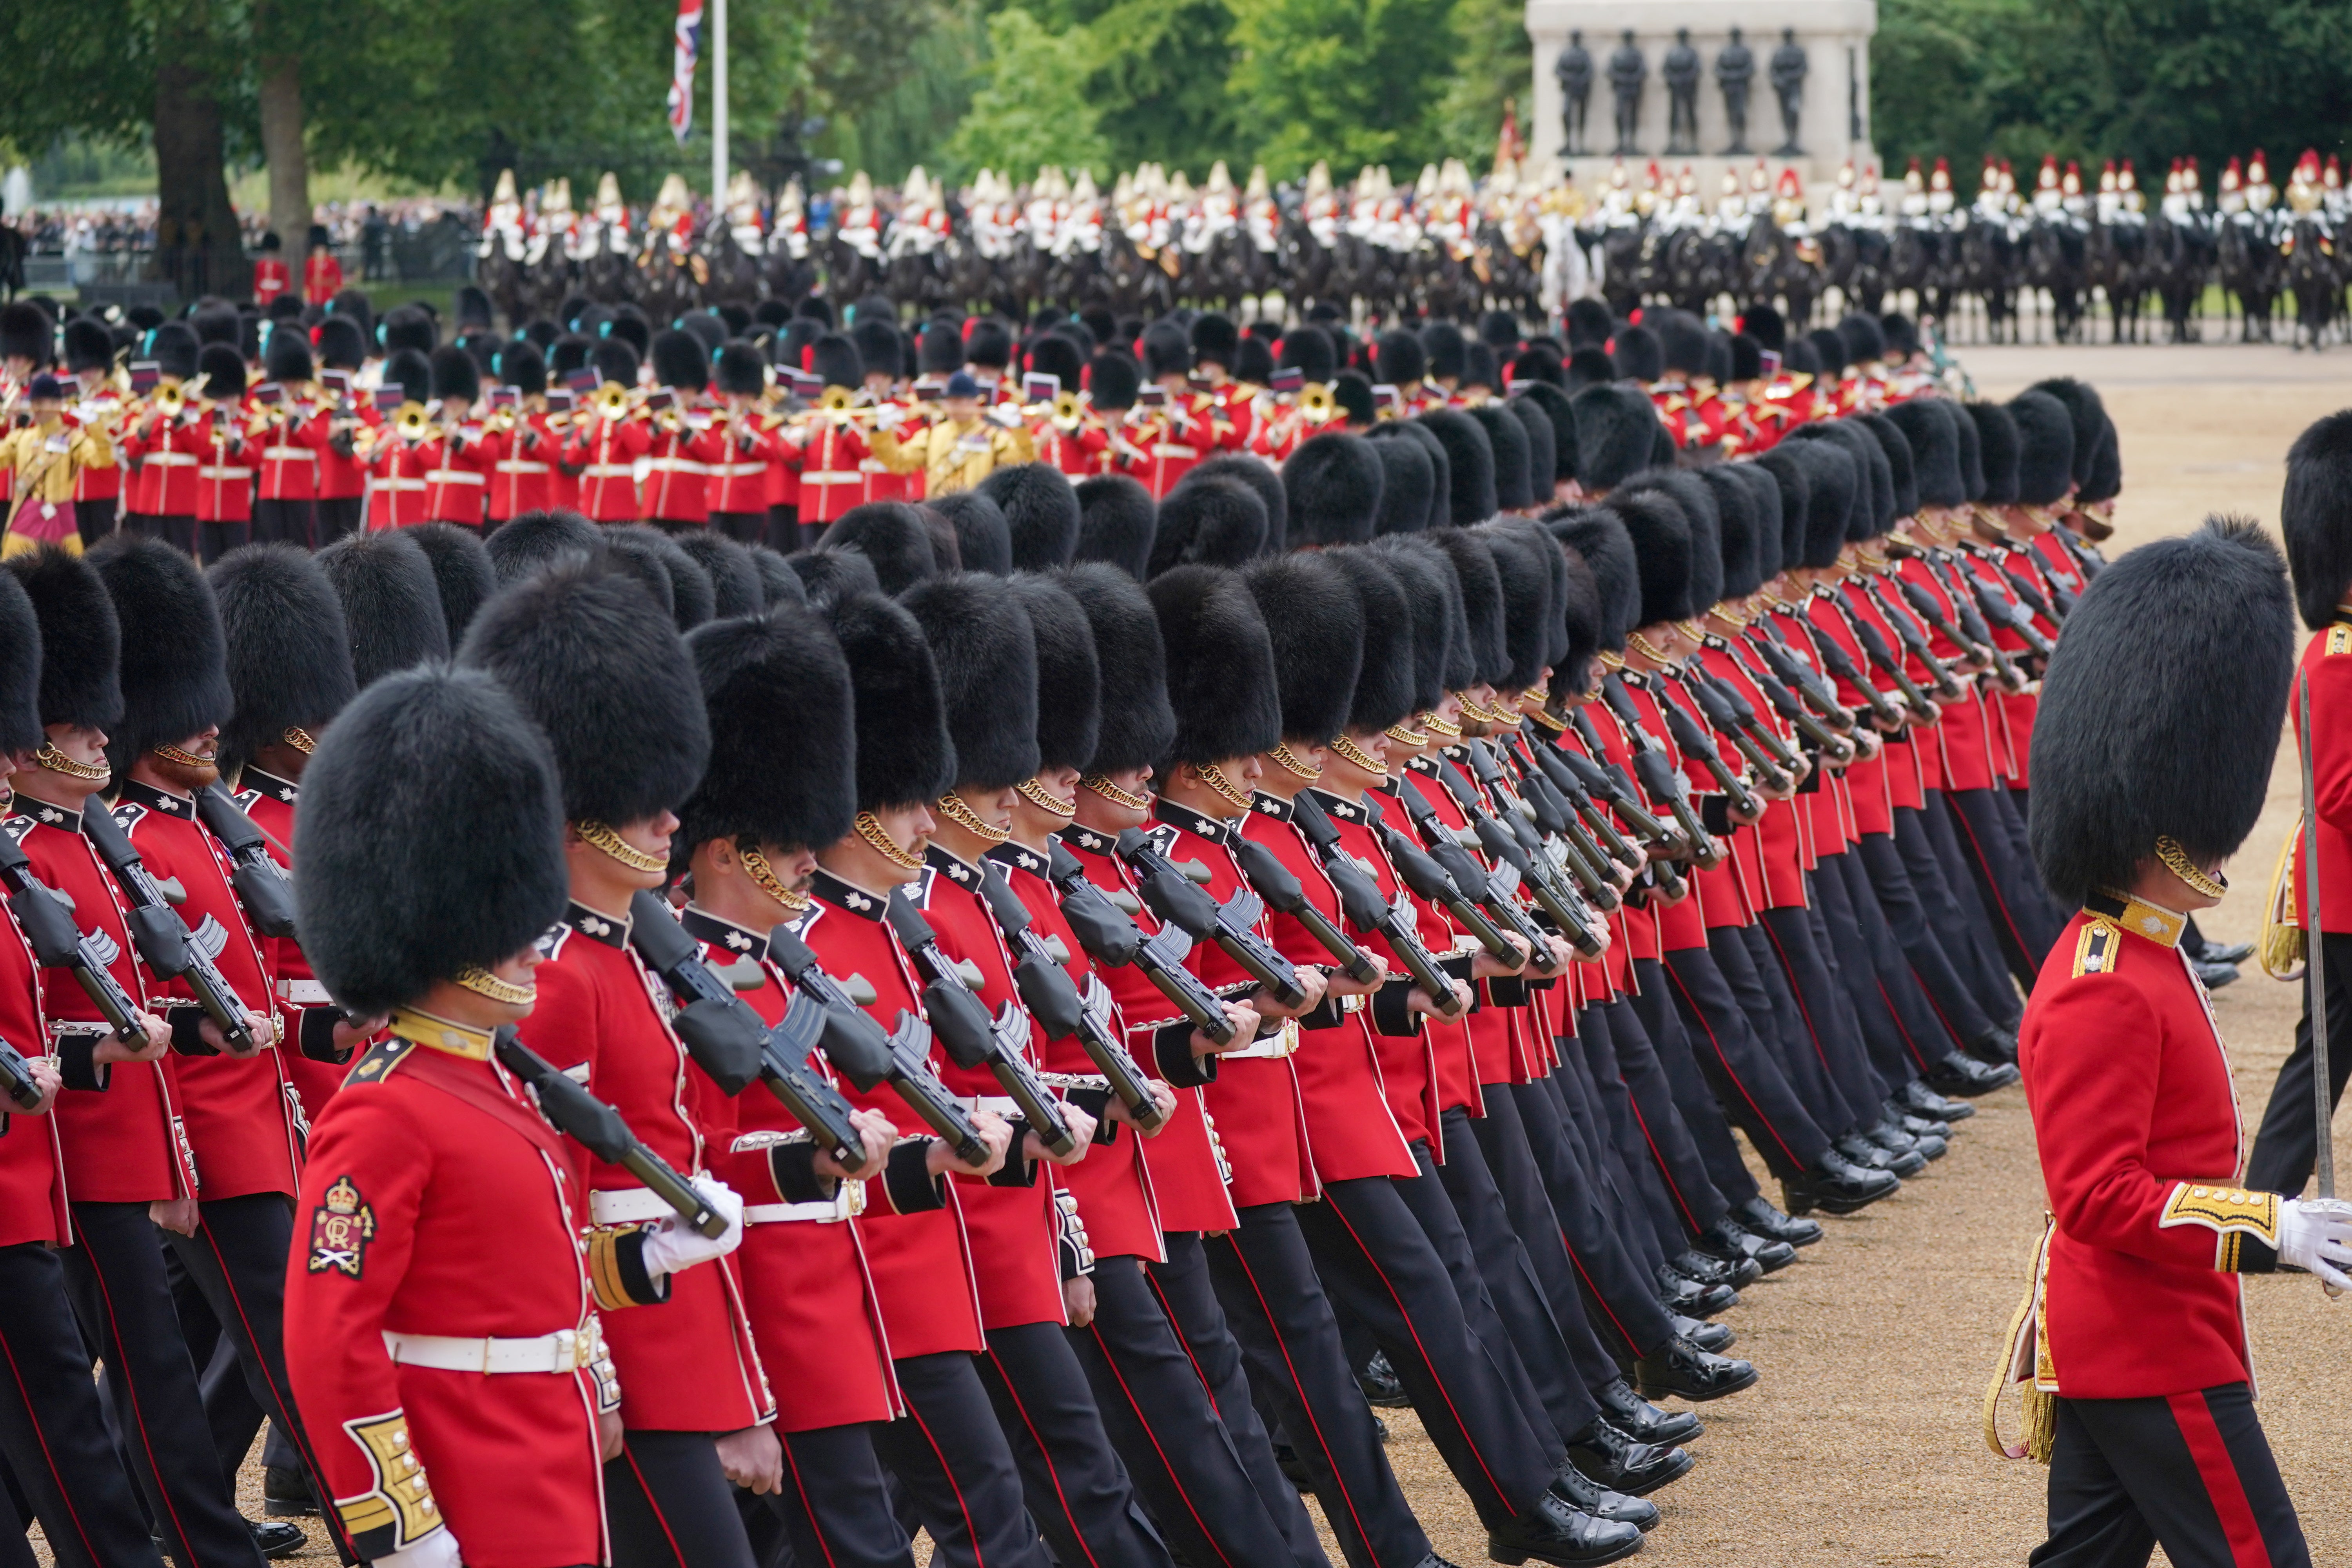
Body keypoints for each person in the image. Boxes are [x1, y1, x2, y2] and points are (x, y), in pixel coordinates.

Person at [1991, 517, 2345, 1567]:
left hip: (2133, 1340)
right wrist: (2268, 1226)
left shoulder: (2140, 953)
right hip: (2153, 1347)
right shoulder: (2103, 987)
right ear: (2162, 831)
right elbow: (2102, 1196)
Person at [460, 558, 768, 1568]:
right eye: (647, 810)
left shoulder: (622, 952)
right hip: (623, 1340)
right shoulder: (561, 975)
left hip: (673, 1324)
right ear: (584, 812)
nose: (671, 822)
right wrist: (594, 1376)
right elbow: (553, 1197)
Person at [283, 662, 625, 1568]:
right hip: (465, 1474)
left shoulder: (502, 1077)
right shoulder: (385, 1108)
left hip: (551, 1456)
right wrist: (401, 1523)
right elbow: (331, 1339)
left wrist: (595, 1373)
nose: (529, 942)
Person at [2249, 410, 2352, 1196]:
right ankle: (2269, 1203)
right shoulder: (2335, 660)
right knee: (2322, 1054)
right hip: (2346, 904)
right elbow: (2340, 792)